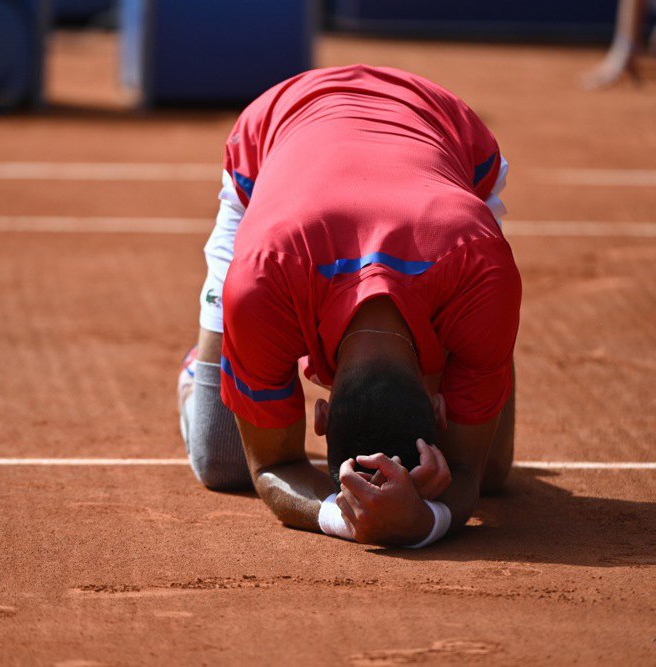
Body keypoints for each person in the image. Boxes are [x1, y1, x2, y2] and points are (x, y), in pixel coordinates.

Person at [178, 65, 521, 548]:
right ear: (438, 407)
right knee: (223, 459)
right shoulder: (260, 281)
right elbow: (268, 467)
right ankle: (207, 364)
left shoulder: (483, 271)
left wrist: (421, 520)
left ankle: (471, 356)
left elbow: (472, 472)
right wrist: (352, 518)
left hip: (445, 131)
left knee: (494, 475)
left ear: (320, 419)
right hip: (276, 133)